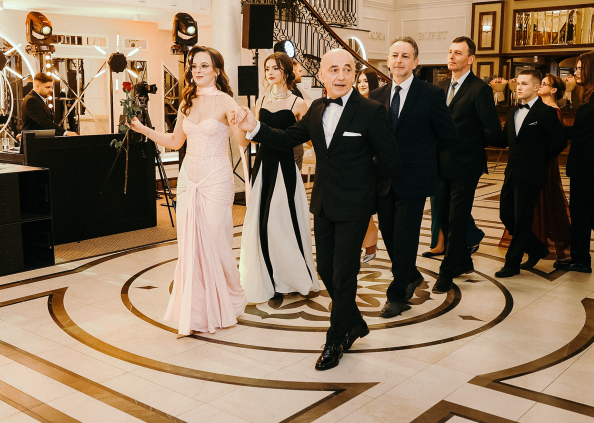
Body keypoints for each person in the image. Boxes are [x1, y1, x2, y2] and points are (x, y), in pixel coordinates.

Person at [232, 48, 400, 371]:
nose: (341, 76)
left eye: (347, 69)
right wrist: (254, 127)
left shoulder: (371, 111)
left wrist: (370, 199)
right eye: (333, 69)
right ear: (321, 75)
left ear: (354, 74)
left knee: (344, 273)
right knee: (325, 269)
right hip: (324, 203)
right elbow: (286, 138)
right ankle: (354, 322)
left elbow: (390, 161)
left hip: (355, 206)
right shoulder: (316, 109)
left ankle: (335, 339)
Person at [128, 45, 247, 335]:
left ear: (216, 70)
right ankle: (195, 313)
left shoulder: (226, 101)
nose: (197, 70)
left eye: (204, 65)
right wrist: (144, 130)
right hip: (187, 180)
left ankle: (229, 301)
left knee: (217, 241)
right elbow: (175, 142)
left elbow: (243, 141)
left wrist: (244, 121)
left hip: (216, 180)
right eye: (194, 66)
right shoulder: (187, 101)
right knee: (189, 244)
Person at [370, 37, 458, 317]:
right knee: (389, 235)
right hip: (384, 180)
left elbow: (448, 135)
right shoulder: (376, 96)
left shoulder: (431, 94)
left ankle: (396, 295)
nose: (399, 61)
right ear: (388, 60)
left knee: (405, 238)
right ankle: (410, 275)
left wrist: (424, 157)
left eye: (405, 56)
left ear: (415, 62)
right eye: (395, 55)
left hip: (415, 179)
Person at [239, 52, 319, 304]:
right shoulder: (261, 99)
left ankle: (291, 276)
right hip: (263, 165)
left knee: (283, 222)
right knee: (263, 223)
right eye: (267, 69)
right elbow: (252, 137)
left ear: (286, 71)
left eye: (275, 68)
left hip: (285, 167)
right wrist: (240, 125)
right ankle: (270, 276)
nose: (270, 72)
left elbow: (308, 138)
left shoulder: (299, 103)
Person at [433, 37, 504, 294]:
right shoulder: (440, 87)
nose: (451, 57)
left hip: (466, 164)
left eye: (458, 53)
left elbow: (491, 130)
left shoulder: (479, 89)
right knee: (442, 215)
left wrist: (470, 144)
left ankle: (447, 271)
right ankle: (463, 260)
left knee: (457, 218)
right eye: (450, 51)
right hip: (440, 163)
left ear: (471, 59)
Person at [493, 71, 566, 278]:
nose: (519, 87)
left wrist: (538, 159)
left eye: (524, 83)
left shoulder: (546, 112)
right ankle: (536, 248)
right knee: (506, 215)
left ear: (536, 87)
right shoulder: (513, 111)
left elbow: (559, 141)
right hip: (511, 173)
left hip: (531, 174)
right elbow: (504, 140)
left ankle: (512, 263)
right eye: (518, 83)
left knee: (522, 219)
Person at [555, 51, 594, 273]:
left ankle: (580, 259)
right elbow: (584, 130)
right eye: (576, 68)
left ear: (593, 69)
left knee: (587, 211)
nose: (576, 72)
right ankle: (580, 258)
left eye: (581, 68)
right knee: (584, 211)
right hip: (587, 164)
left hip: (592, 165)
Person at [356, 69, 381, 262]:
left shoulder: (378, 107)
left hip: (371, 165)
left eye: (366, 81)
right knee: (358, 209)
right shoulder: (352, 105)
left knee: (365, 209)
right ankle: (363, 245)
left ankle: (370, 245)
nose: (362, 84)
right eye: (359, 81)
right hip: (354, 164)